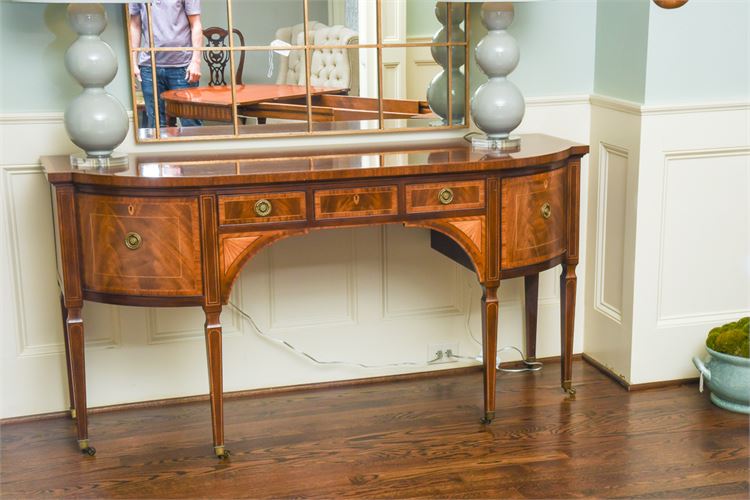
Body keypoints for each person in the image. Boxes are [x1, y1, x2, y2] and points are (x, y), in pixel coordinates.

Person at [129, 0, 203, 128]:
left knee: (191, 123)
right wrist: (133, 62)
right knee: (156, 126)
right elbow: (134, 24)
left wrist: (196, 61)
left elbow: (195, 24)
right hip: (149, 67)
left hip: (182, 67)